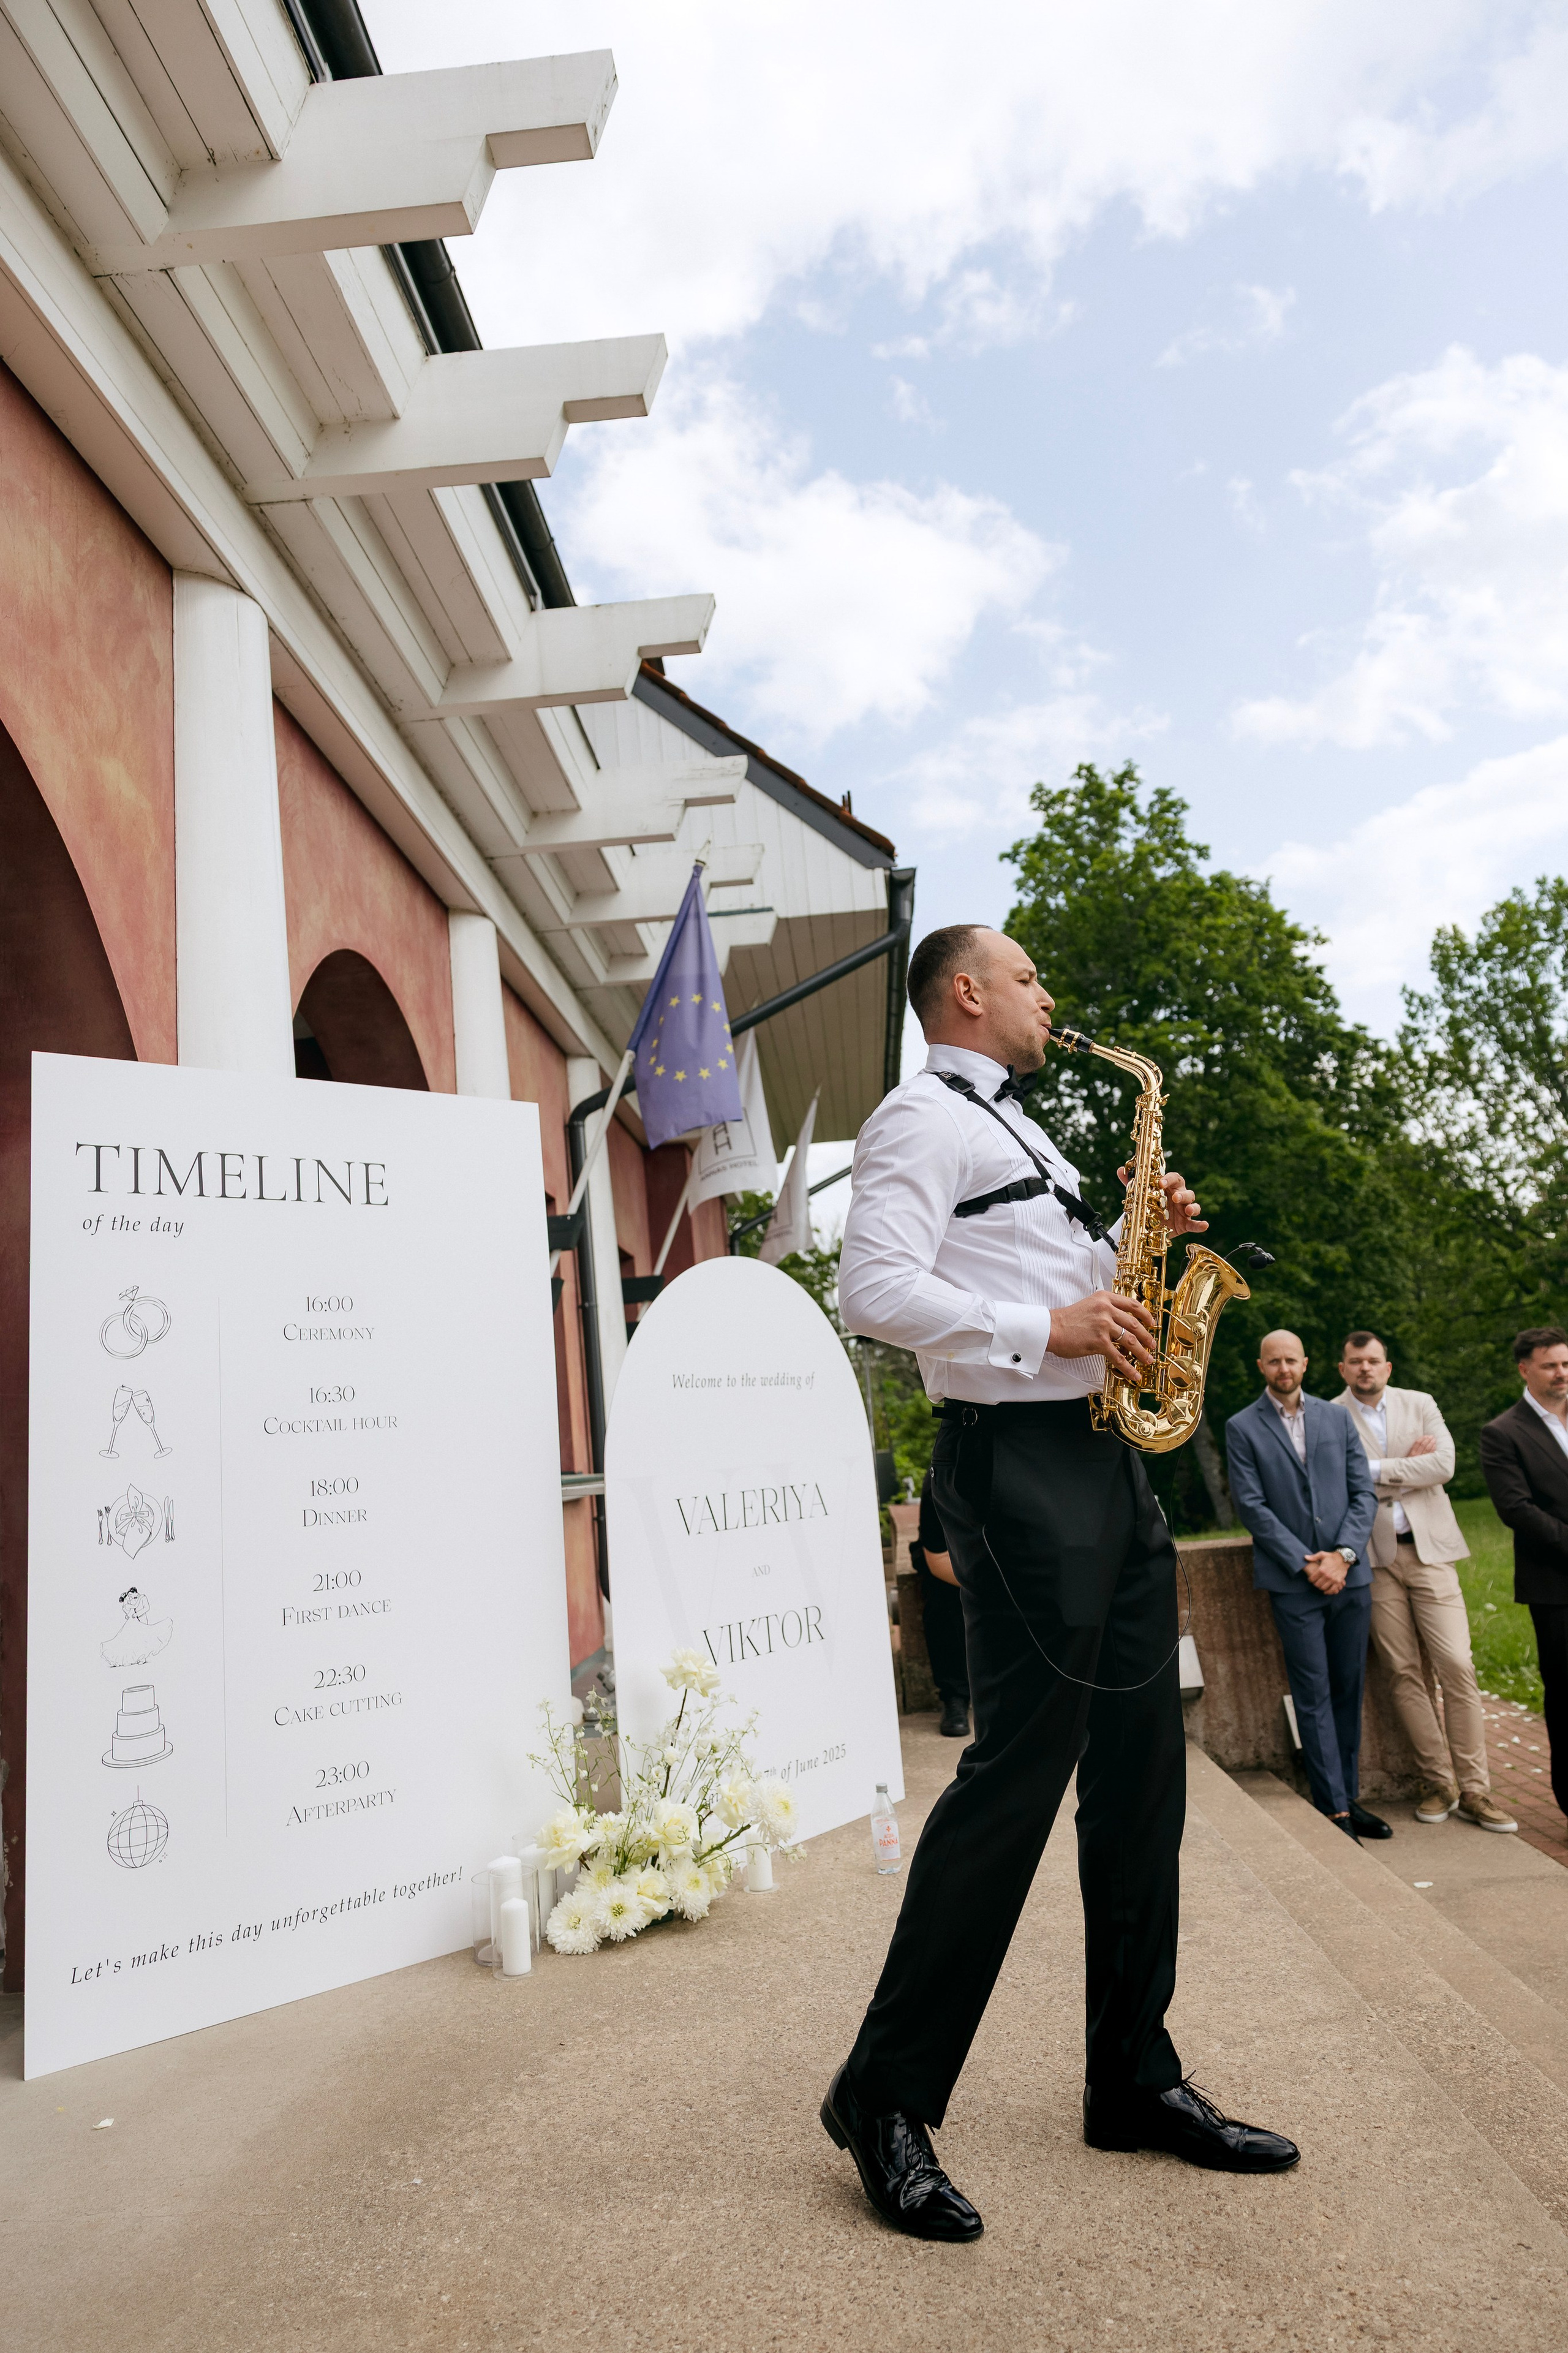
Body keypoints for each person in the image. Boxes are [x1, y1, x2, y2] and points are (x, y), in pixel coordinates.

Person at [822, 924, 1298, 2247]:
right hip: (1015, 1466)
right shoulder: (919, 1119)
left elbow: (1048, 1282)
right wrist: (1055, 1328)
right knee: (1016, 1780)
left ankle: (1132, 2079)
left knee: (1142, 1776)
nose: (1048, 997)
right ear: (965, 992)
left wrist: (1134, 1261)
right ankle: (882, 2099)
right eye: (1029, 976)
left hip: (1103, 1466)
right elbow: (871, 1289)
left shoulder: (1028, 1135)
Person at [1336, 1332, 1515, 1833]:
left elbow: (1445, 1465)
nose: (1365, 1369)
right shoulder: (1330, 1414)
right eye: (1356, 1362)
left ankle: (1478, 1789)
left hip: (1432, 1552)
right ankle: (1440, 1783)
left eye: (1373, 1361)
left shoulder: (1421, 1403)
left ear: (1387, 1367)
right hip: (1375, 1559)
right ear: (1342, 1368)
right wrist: (1408, 1468)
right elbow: (1335, 1480)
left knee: (1457, 1665)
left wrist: (1371, 1471)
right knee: (1403, 1671)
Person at [1225, 1333, 1381, 1841]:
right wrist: (1306, 1563)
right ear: (1262, 1365)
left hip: (1350, 1576)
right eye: (1274, 1360)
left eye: (1291, 1359)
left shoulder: (1338, 1419)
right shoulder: (1242, 1426)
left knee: (1348, 1688)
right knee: (1312, 1693)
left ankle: (1348, 1797)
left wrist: (1343, 1556)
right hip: (1294, 1584)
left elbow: (1363, 1493)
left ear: (1307, 1364)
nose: (1284, 1367)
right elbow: (1252, 1507)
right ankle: (1333, 1809)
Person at [1479, 1326, 1568, 1823]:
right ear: (1525, 1369)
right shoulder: (1503, 1432)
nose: (1562, 1373)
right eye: (1552, 1365)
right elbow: (1517, 1509)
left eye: (1567, 1363)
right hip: (1556, 1587)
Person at [909, 1468, 970, 1737]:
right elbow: (939, 1562)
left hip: (1002, 1553)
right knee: (943, 1599)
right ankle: (955, 1696)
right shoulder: (941, 1481)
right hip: (949, 1560)